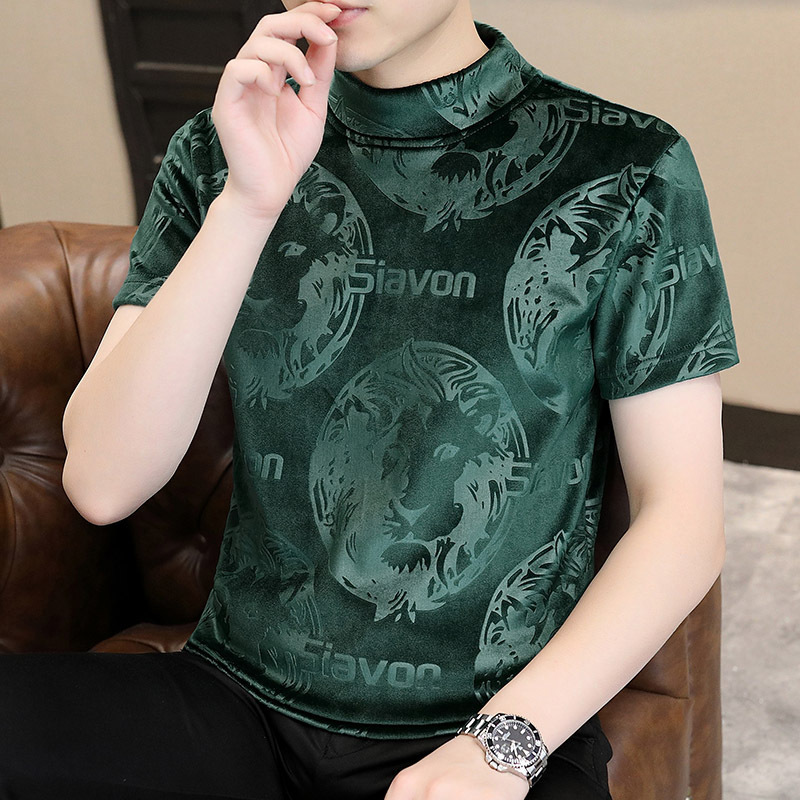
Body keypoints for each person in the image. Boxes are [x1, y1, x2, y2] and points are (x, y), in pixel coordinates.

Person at [1, 1, 740, 798]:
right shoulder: (216, 151)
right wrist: (248, 205)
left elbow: (684, 519)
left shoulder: (630, 167)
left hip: (483, 722)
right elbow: (103, 485)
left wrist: (500, 748)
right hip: (237, 698)